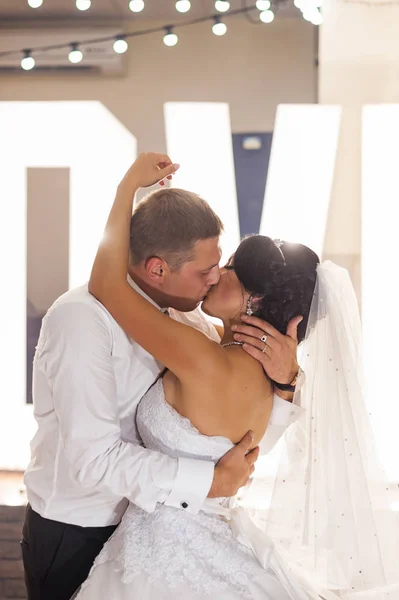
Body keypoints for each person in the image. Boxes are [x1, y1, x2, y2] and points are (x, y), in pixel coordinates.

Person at [76, 153, 399, 600]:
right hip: (204, 539)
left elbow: (108, 287)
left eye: (227, 269)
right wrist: (289, 382)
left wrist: (127, 187)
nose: (214, 275)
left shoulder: (204, 358)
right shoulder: (267, 373)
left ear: (254, 298)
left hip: (168, 554)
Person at [21, 155, 300, 600]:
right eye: (206, 270)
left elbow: (235, 429)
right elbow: (93, 460)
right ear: (157, 268)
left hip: (158, 531)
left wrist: (285, 382)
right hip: (81, 529)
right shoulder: (81, 321)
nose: (215, 280)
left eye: (221, 265)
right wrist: (210, 483)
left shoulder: (191, 323)